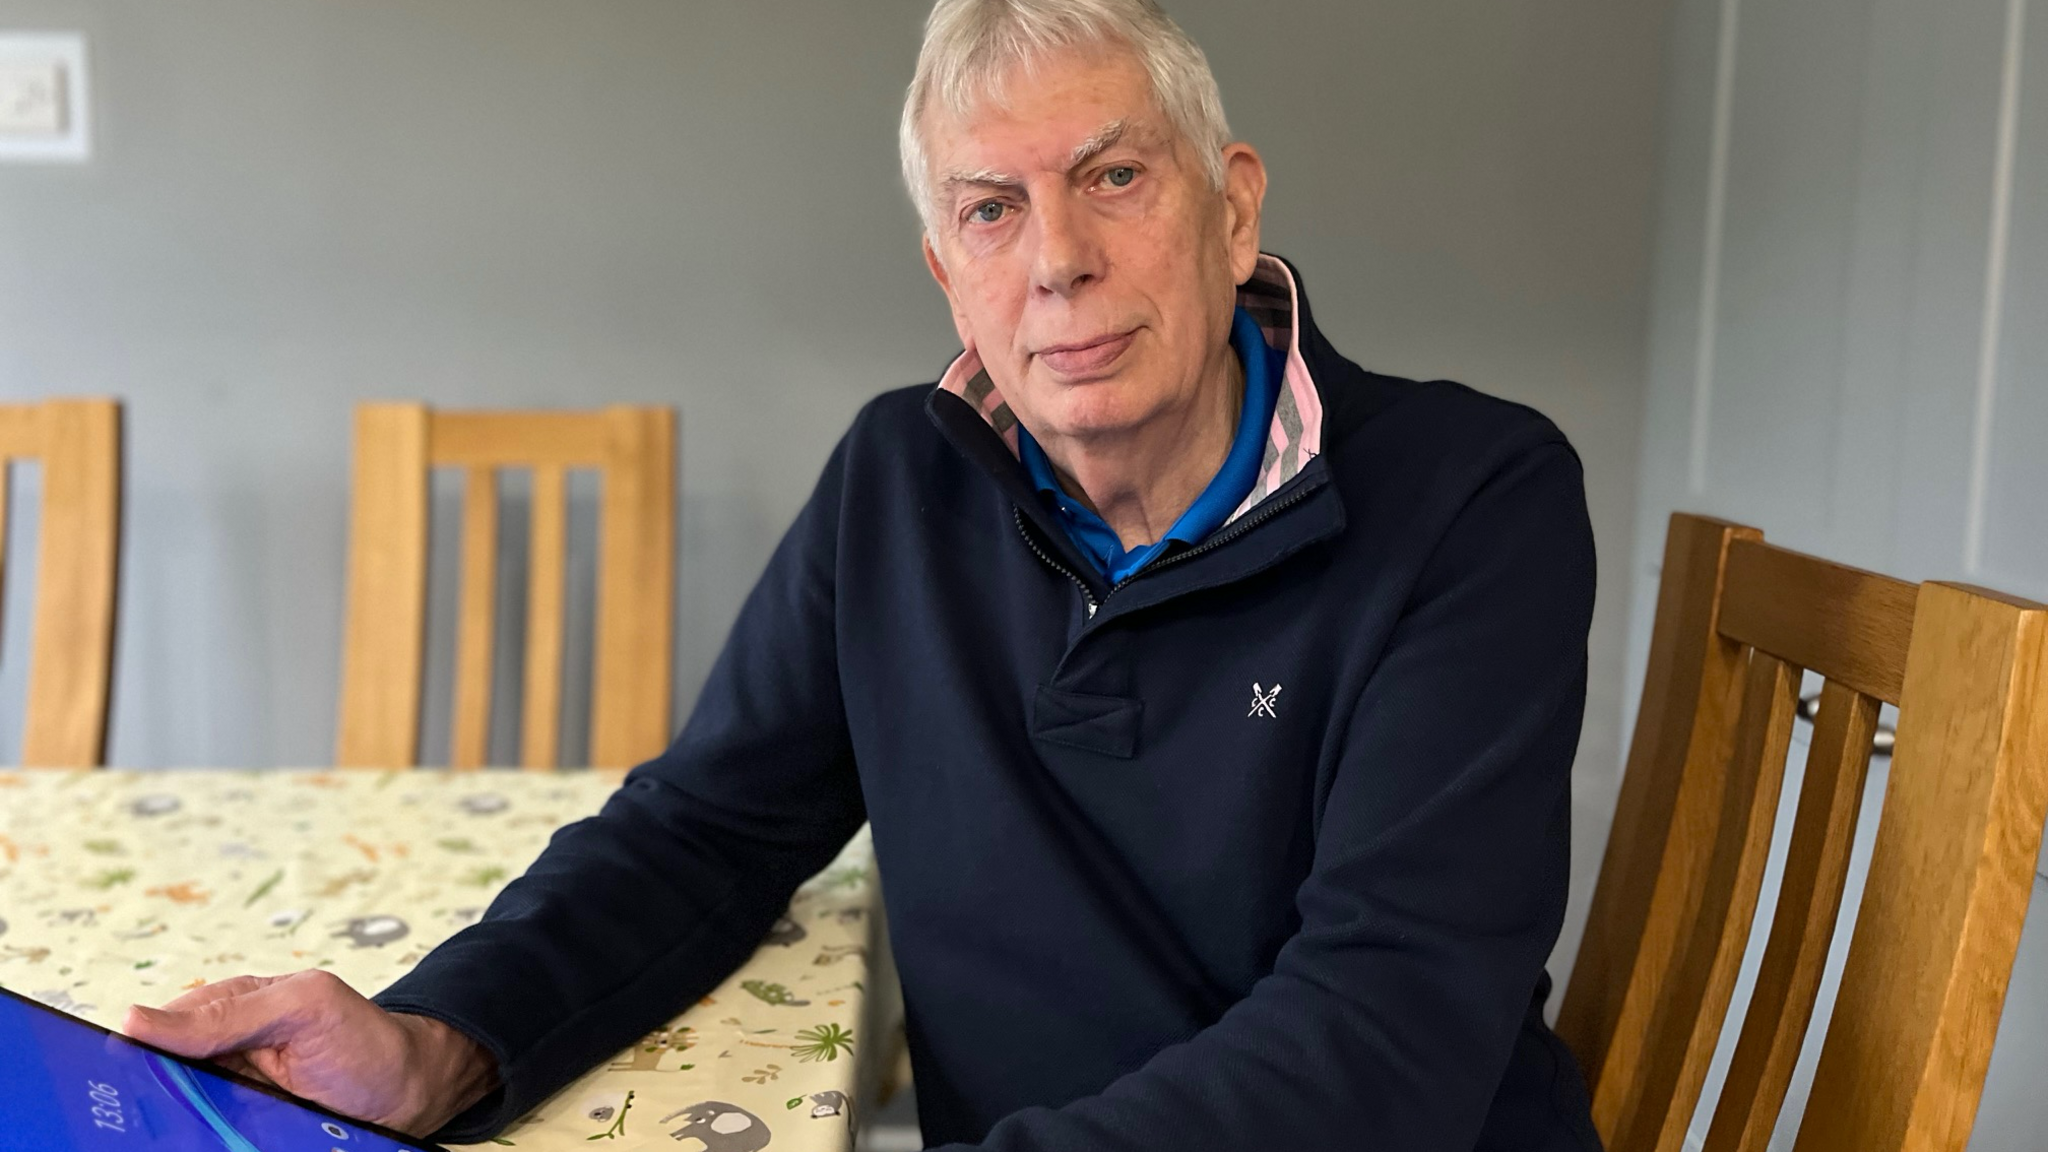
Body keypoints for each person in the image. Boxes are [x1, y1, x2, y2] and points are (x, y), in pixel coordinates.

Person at [124, 1, 1603, 1148]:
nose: (1059, 259)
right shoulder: (901, 481)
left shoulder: (1473, 498)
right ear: (946, 269)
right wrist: (433, 1044)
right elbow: (703, 835)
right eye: (991, 209)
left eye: (1115, 176)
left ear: (1232, 206)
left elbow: (1390, 1028)